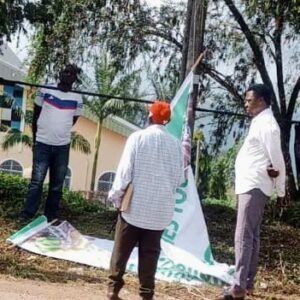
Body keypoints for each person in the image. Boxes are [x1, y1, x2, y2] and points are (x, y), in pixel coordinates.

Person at [107, 101, 184, 300]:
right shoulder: (176, 145)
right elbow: (180, 180)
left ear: (149, 117)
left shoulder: (137, 138)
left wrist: (115, 197)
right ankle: (146, 293)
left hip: (134, 207)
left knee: (121, 251)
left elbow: (124, 173)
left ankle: (113, 289)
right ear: (166, 122)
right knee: (150, 254)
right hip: (160, 212)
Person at [223, 84, 286, 300]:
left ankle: (239, 286)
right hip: (252, 184)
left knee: (243, 235)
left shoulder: (268, 125)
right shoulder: (260, 122)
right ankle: (246, 283)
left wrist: (281, 191)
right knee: (251, 235)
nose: (246, 103)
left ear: (261, 101)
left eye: (249, 100)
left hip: (254, 186)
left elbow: (277, 160)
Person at [18, 64, 83, 222]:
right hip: (43, 143)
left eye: (71, 73)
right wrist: (36, 137)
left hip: (62, 146)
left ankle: (50, 217)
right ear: (60, 73)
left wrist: (60, 130)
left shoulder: (78, 98)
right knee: (37, 181)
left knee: (56, 185)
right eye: (65, 71)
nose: (67, 74)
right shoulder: (45, 90)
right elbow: (36, 114)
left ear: (75, 78)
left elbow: (73, 120)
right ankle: (27, 214)